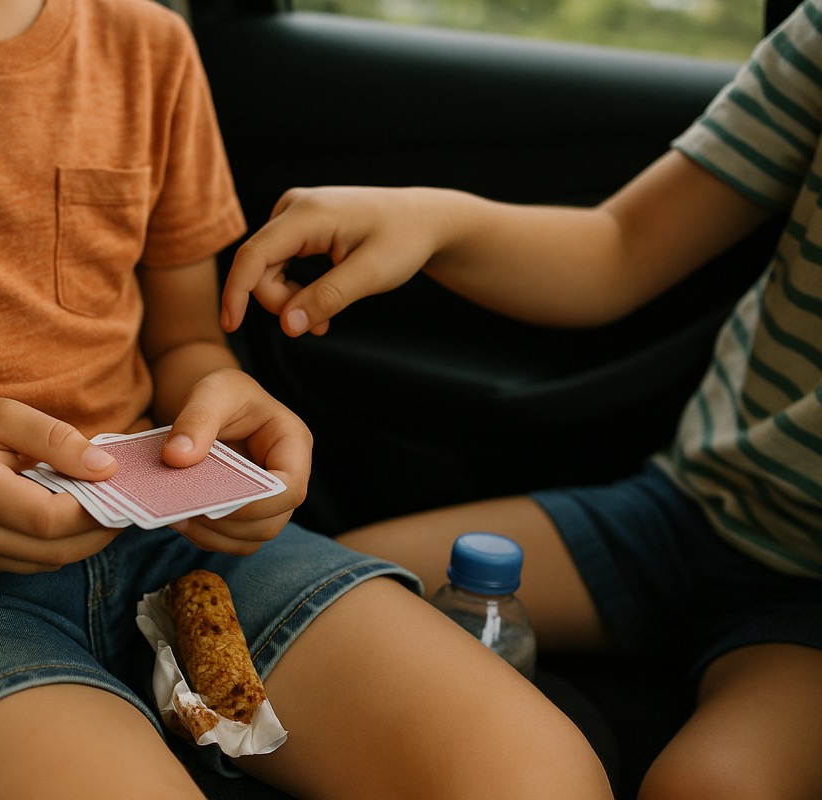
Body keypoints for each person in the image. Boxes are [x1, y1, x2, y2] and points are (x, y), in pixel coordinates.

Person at [0, 0, 614, 798]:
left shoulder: (146, 43)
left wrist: (225, 398)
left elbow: (184, 340)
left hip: (168, 542)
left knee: (537, 772)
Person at [221, 2, 822, 799]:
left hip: (808, 592)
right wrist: (432, 220)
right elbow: (620, 247)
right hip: (691, 508)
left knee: (710, 785)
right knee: (326, 593)